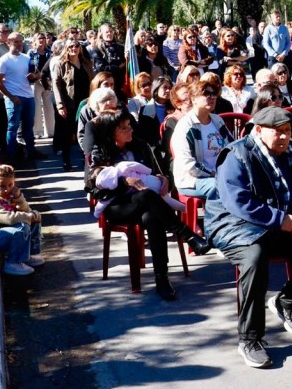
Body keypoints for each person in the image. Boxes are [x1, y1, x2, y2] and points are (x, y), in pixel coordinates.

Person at [204, 106, 292, 368]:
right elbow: (237, 202)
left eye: (287, 131)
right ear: (259, 131)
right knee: (255, 257)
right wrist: (280, 220)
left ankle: (286, 302)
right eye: (278, 132)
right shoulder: (236, 155)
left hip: (282, 224)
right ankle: (250, 339)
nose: (285, 137)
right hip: (235, 226)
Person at [90, 110, 213, 301]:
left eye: (129, 125)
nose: (130, 129)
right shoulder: (100, 152)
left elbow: (157, 173)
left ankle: (161, 278)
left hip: (149, 203)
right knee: (146, 196)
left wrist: (164, 181)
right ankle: (188, 235)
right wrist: (124, 181)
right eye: (124, 128)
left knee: (151, 216)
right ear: (111, 132)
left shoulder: (140, 146)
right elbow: (94, 186)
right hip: (119, 206)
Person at [171, 81, 232, 200]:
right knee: (222, 186)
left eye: (214, 94)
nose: (212, 97)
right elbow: (189, 165)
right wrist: (215, 175)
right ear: (193, 99)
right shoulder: (185, 127)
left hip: (221, 175)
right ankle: (218, 218)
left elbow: (232, 147)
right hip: (192, 180)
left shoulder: (217, 120)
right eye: (206, 94)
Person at [0, 32, 41, 163]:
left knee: (28, 126)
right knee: (13, 127)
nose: (19, 44)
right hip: (14, 98)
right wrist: (11, 97)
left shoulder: (26, 58)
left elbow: (38, 74)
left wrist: (35, 76)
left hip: (28, 96)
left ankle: (31, 152)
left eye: (21, 41)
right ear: (8, 43)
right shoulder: (4, 60)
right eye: (16, 41)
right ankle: (11, 156)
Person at [51, 35, 94, 171]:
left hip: (86, 103)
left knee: (86, 132)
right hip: (69, 104)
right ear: (66, 48)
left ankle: (86, 160)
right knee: (67, 134)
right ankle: (66, 161)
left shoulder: (86, 63)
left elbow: (93, 82)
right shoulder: (61, 64)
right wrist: (60, 105)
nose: (74, 49)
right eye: (70, 46)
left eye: (76, 46)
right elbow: (56, 86)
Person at [27, 33, 55, 140]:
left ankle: (51, 131)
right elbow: (30, 66)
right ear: (35, 40)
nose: (42, 40)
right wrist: (36, 75)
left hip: (47, 81)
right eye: (39, 38)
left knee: (49, 106)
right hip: (36, 82)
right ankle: (37, 131)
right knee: (37, 106)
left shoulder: (49, 52)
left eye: (43, 38)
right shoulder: (32, 53)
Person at [87, 24, 126, 93]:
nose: (109, 34)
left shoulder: (121, 48)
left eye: (111, 31)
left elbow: (125, 64)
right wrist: (117, 67)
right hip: (104, 83)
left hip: (120, 82)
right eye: (107, 32)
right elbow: (101, 67)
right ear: (101, 34)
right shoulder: (97, 48)